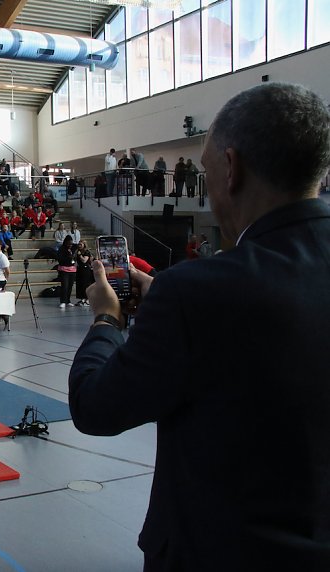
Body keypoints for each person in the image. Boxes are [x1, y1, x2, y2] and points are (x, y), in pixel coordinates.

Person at [69, 83, 330, 571]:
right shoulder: (193, 294)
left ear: (232, 168)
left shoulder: (195, 292)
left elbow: (95, 407)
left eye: (207, 172)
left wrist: (107, 317)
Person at [56, 235, 77, 308]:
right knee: (65, 286)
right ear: (65, 243)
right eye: (68, 244)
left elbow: (78, 246)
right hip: (64, 270)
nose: (70, 245)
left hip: (72, 270)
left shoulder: (73, 248)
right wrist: (68, 258)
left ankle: (68, 301)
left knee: (70, 286)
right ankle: (63, 301)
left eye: (71, 244)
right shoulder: (61, 249)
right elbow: (60, 259)